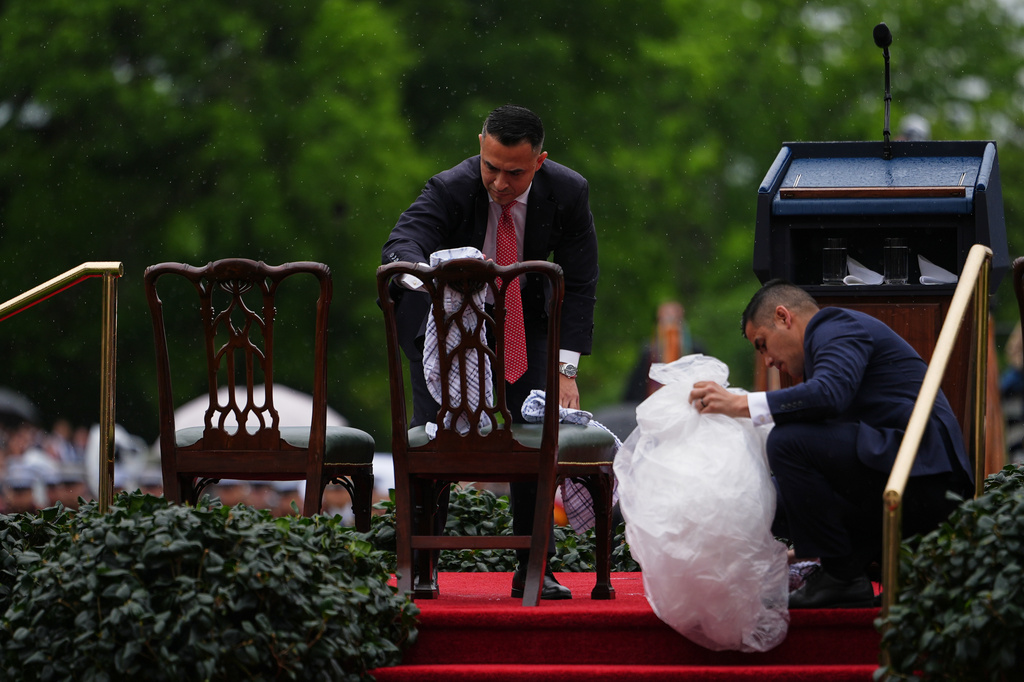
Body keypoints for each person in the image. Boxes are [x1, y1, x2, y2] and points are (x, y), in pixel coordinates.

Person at [382, 104, 600, 600]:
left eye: (515, 173)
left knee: (531, 440)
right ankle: (422, 568)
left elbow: (581, 281)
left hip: (526, 325)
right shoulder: (449, 187)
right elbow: (400, 243)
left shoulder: (569, 191)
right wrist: (438, 279)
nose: (500, 183)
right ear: (480, 144)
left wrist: (566, 368)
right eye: (491, 167)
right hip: (440, 326)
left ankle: (533, 569)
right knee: (436, 444)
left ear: (540, 161)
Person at [688, 280, 974, 609]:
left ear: (783, 317)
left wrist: (739, 405)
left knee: (786, 443)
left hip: (926, 475)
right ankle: (842, 568)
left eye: (763, 344)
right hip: (902, 474)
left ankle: (841, 577)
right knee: (769, 500)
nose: (767, 361)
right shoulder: (829, 350)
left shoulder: (835, 325)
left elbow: (828, 395)